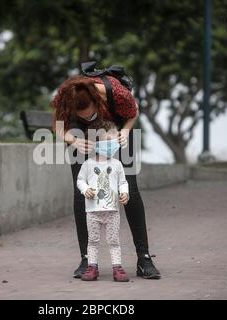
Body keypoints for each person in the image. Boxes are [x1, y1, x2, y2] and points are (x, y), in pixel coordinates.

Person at [51, 73, 161, 280]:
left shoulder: (116, 93)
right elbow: (58, 125)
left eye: (89, 114)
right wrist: (71, 139)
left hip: (114, 130)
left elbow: (133, 112)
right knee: (81, 190)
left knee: (129, 187)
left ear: (96, 99)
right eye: (81, 115)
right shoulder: (66, 95)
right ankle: (86, 260)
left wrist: (126, 131)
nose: (87, 118)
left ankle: (144, 259)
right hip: (79, 135)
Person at [77, 120, 130, 282]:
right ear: (96, 143)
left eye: (113, 141)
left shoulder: (117, 164)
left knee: (114, 241)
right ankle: (92, 267)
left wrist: (125, 193)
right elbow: (80, 180)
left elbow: (123, 182)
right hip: (92, 211)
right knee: (92, 241)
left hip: (112, 211)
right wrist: (85, 189)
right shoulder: (87, 164)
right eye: (107, 141)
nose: (111, 145)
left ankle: (117, 267)